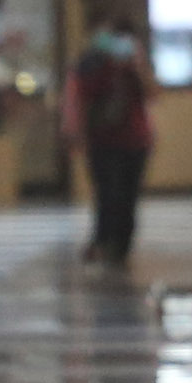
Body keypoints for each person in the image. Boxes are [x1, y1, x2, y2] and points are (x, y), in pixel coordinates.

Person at [61, 24, 158, 267]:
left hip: (135, 140)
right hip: (103, 140)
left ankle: (120, 245)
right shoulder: (92, 66)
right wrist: (76, 133)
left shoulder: (135, 66)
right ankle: (104, 240)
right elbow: (79, 98)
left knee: (127, 195)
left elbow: (152, 93)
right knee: (107, 193)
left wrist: (136, 67)